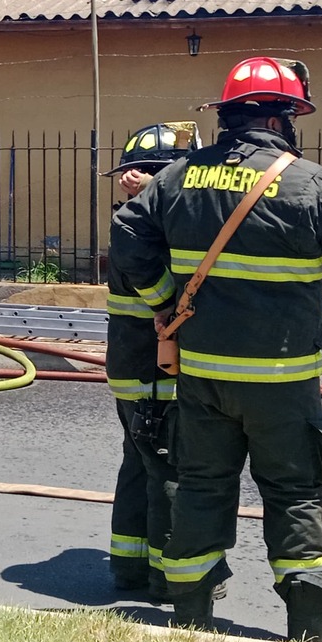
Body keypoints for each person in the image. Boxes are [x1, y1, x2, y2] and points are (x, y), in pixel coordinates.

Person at [110, 58, 322, 642]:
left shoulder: (177, 177)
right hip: (283, 382)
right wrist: (315, 182)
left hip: (203, 376)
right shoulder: (305, 180)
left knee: (202, 487)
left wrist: (164, 303)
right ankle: (308, 637)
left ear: (228, 117)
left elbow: (128, 232)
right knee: (292, 492)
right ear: (283, 120)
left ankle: (191, 626)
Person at [102, 123, 200, 601]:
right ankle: (166, 579)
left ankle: (129, 567)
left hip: (131, 368)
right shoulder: (152, 229)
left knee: (138, 465)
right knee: (168, 471)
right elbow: (168, 293)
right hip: (155, 373)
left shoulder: (132, 221)